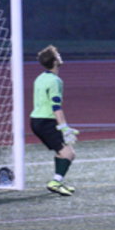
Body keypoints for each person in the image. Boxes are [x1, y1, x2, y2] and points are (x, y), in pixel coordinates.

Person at [30, 45, 79, 196]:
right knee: (69, 154)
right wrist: (64, 127)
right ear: (55, 61)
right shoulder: (55, 81)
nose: (60, 56)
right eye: (58, 55)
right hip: (46, 122)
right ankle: (55, 183)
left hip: (36, 121)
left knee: (62, 152)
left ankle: (58, 181)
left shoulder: (40, 78)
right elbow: (56, 107)